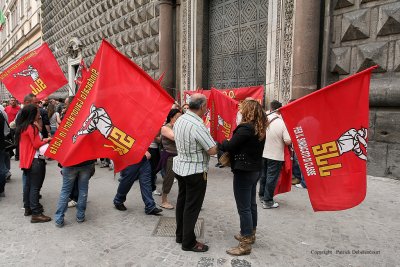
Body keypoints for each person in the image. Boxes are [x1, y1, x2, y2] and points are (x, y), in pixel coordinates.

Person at [218, 100, 266, 256]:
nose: (239, 111)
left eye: (241, 109)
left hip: (244, 172)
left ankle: (245, 243)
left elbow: (230, 146)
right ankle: (250, 234)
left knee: (244, 207)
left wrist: (223, 142)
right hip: (255, 170)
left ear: (247, 112)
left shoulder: (245, 128)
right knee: (251, 204)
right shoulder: (259, 128)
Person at [173, 93, 218, 252]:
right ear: (202, 107)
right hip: (195, 171)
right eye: (206, 106)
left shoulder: (180, 119)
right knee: (192, 207)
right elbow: (212, 150)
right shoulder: (197, 125)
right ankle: (188, 242)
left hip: (181, 168)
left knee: (182, 202)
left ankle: (180, 235)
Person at [15, 104, 52, 223]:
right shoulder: (32, 127)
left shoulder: (22, 127)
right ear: (32, 114)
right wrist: (46, 140)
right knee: (35, 187)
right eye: (37, 112)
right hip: (35, 159)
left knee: (29, 186)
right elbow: (36, 144)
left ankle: (28, 208)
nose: (39, 114)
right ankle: (36, 213)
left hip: (26, 161)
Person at [259, 100, 292, 209]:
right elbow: (287, 140)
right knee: (271, 178)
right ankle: (268, 201)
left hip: (264, 153)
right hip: (276, 155)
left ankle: (262, 195)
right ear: (280, 109)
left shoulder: (264, 119)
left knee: (264, 176)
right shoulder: (281, 123)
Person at [54, 159, 96, 227]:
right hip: (86, 163)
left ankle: (59, 219)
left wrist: (61, 163)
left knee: (65, 191)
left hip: (69, 163)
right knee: (83, 190)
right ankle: (80, 216)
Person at [159, 109, 181, 209]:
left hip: (179, 156)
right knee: (169, 179)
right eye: (177, 117)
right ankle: (164, 200)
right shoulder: (165, 127)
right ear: (171, 117)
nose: (179, 119)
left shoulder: (178, 127)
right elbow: (174, 137)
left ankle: (186, 199)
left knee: (184, 179)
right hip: (170, 157)